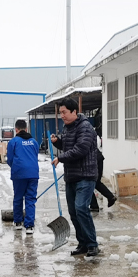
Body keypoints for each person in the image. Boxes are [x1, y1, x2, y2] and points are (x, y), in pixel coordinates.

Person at [50, 98, 100, 257]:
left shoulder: (85, 128)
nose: (62, 116)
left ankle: (92, 244)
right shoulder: (67, 128)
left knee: (81, 208)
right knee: (73, 212)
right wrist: (58, 142)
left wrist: (60, 158)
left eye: (64, 112)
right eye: (60, 113)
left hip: (85, 176)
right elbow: (67, 145)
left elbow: (80, 150)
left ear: (74, 111)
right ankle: (83, 243)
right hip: (71, 176)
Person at [7, 119, 40, 234]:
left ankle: (18, 222)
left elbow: (10, 159)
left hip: (19, 173)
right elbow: (35, 155)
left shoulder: (13, 142)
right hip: (33, 173)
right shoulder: (34, 142)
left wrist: (16, 167)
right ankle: (29, 225)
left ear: (16, 130)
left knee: (18, 197)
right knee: (30, 199)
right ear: (26, 129)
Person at [90, 135, 117, 211]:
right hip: (97, 158)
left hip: (94, 160)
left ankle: (94, 205)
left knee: (88, 183)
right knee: (95, 182)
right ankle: (110, 197)